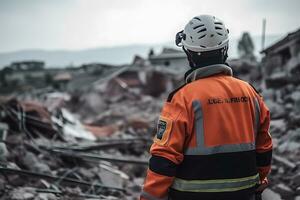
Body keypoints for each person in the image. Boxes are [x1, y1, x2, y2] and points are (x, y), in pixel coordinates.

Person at [140, 15, 272, 200]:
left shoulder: (182, 98)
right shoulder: (250, 93)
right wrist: (258, 181)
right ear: (225, 49)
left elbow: (164, 158)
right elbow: (264, 148)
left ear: (189, 53)